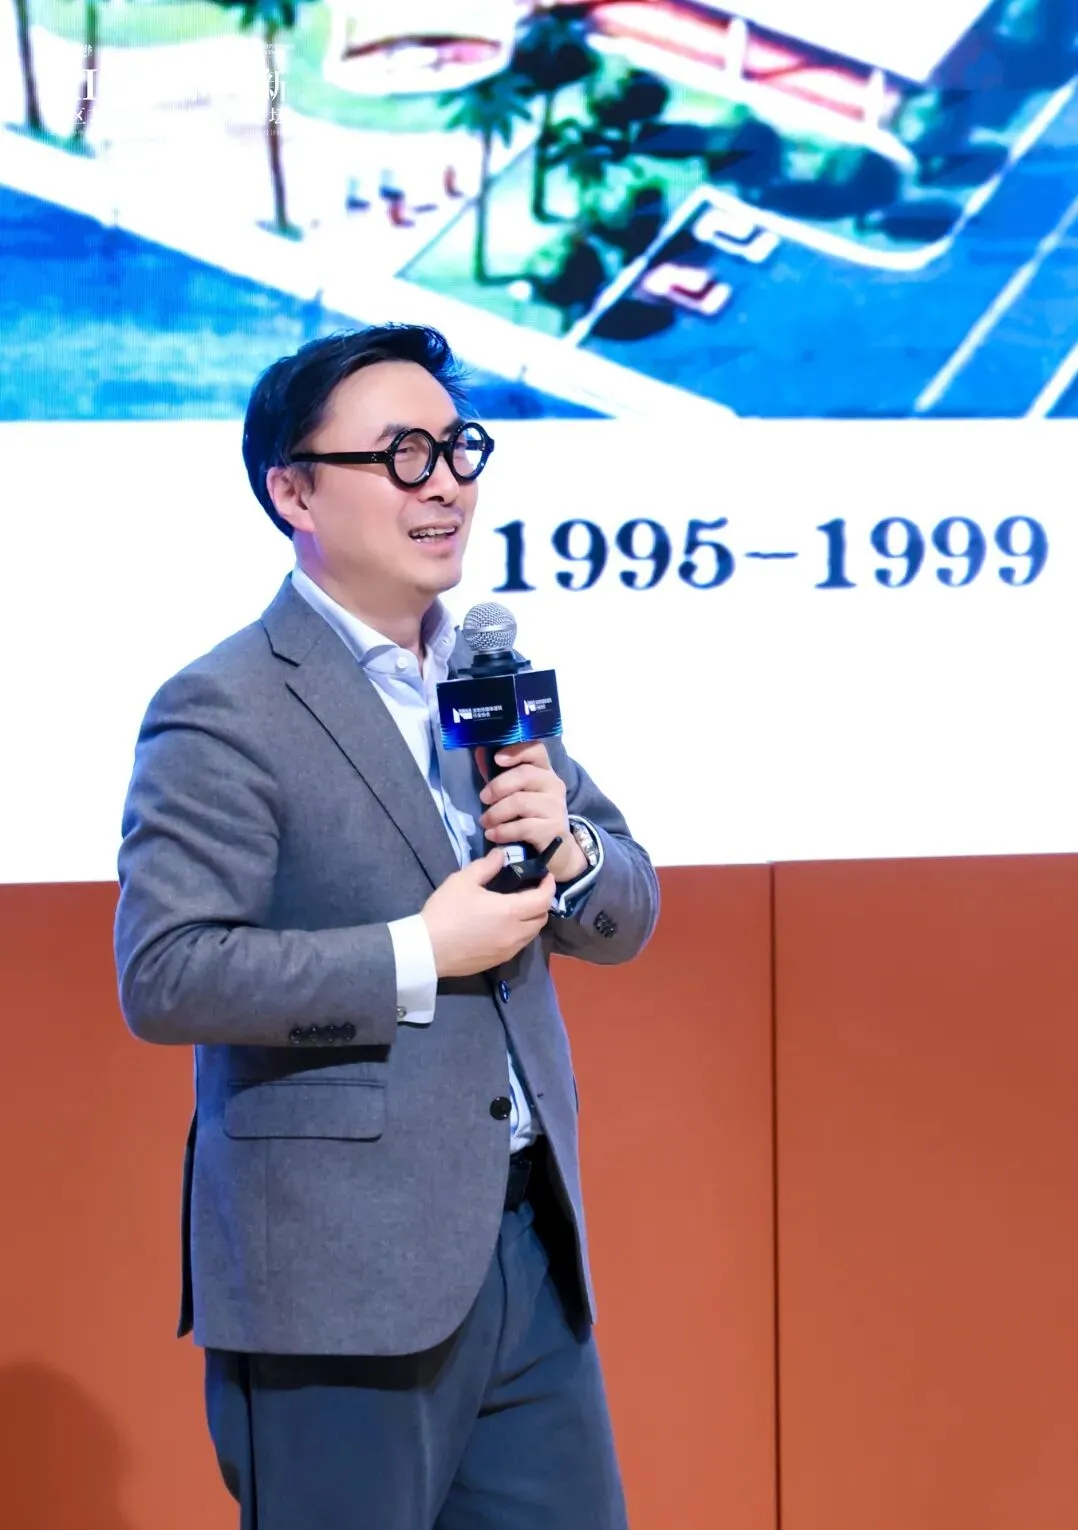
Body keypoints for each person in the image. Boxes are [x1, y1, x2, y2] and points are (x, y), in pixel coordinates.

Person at [113, 323, 660, 1529]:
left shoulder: (485, 676)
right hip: (338, 1281)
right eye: (402, 455)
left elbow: (626, 912)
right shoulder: (225, 705)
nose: (445, 483)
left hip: (525, 1244)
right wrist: (419, 952)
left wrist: (570, 848)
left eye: (459, 449)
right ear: (294, 492)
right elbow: (168, 972)